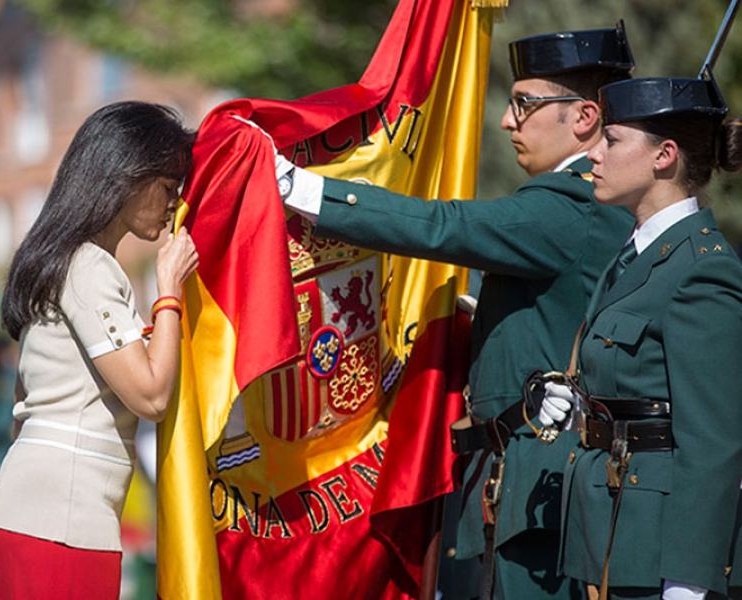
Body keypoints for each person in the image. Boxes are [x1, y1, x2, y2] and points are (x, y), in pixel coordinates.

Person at [270, 25, 638, 599]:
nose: (506, 121)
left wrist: (303, 190)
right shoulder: (585, 204)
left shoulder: (572, 203)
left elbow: (447, 227)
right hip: (521, 487)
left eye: (524, 103)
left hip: (540, 496)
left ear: (585, 117)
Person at [0, 101, 199, 599]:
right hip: (62, 519)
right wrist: (170, 289)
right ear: (127, 176)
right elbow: (151, 397)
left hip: (38, 511)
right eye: (168, 187)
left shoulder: (59, 258)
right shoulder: (89, 266)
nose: (173, 204)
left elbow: (24, 407)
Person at [539, 75, 742, 599]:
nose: (593, 157)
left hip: (657, 555)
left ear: (664, 156)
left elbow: (713, 442)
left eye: (611, 141)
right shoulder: (635, 256)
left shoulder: (701, 270)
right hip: (606, 538)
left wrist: (688, 582)